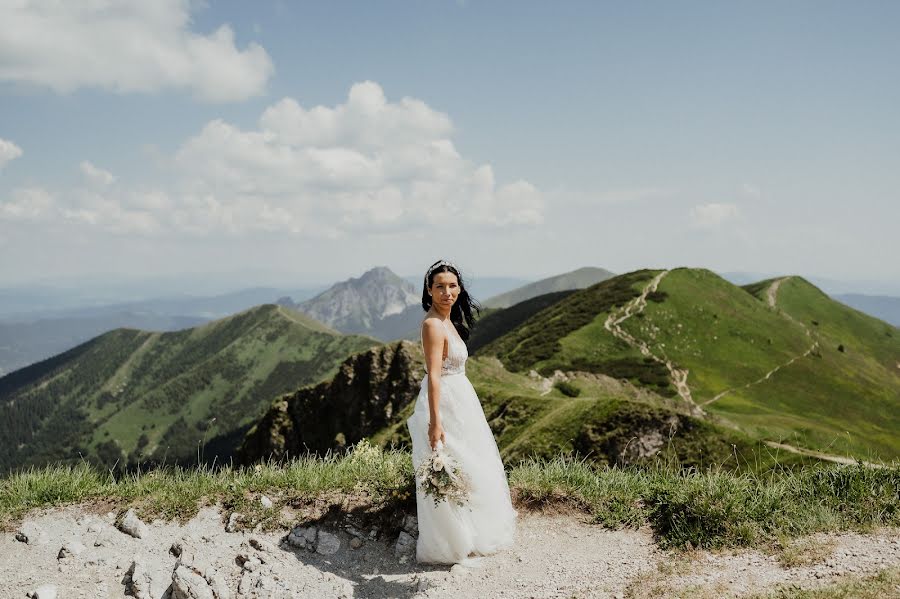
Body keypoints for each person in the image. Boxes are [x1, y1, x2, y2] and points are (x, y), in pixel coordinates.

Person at [406, 259, 518, 566]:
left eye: (452, 286)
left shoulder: (448, 321)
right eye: (439, 287)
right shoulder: (431, 324)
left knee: (469, 465)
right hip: (443, 404)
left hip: (461, 400)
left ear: (459, 289)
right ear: (429, 291)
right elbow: (433, 375)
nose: (447, 292)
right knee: (449, 467)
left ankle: (471, 528)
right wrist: (435, 421)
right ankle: (450, 540)